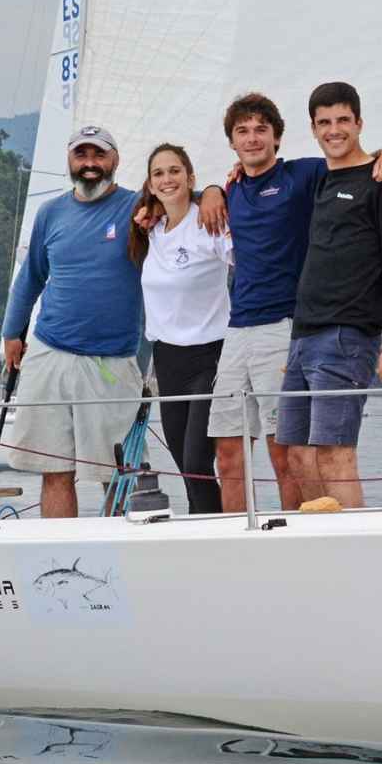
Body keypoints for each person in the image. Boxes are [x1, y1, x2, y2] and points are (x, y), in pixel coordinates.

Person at [1, 125, 226, 518]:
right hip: (49, 351)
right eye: (81, 155)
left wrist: (212, 192)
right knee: (55, 471)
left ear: (115, 160)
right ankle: (59, 557)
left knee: (120, 476)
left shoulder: (138, 208)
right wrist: (11, 332)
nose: (90, 164)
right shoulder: (50, 212)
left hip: (112, 362)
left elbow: (178, 193)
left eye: (99, 155)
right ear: (70, 160)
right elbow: (31, 276)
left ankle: (118, 560)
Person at [200, 93, 382, 514]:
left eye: (261, 130)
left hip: (286, 324)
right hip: (236, 329)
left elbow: (353, 160)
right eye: (243, 132)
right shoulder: (231, 190)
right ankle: (235, 537)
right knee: (227, 450)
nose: (253, 139)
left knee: (286, 450)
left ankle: (294, 529)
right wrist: (212, 189)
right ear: (232, 142)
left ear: (278, 137)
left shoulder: (303, 175)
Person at [278, 82, 382, 509]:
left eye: (343, 120)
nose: (334, 130)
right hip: (304, 338)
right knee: (298, 456)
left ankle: (354, 551)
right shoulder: (321, 179)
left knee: (335, 453)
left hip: (348, 337)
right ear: (313, 128)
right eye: (324, 122)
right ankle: (317, 547)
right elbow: (262, 167)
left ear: (359, 124)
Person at [129, 143, 232, 515]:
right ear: (150, 184)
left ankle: (214, 540)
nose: (167, 179)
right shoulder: (150, 229)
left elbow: (248, 263)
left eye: (175, 171)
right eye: (159, 173)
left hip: (211, 357)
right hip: (167, 360)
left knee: (196, 462)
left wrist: (212, 192)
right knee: (184, 466)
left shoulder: (209, 222)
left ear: (190, 178)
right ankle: (205, 533)